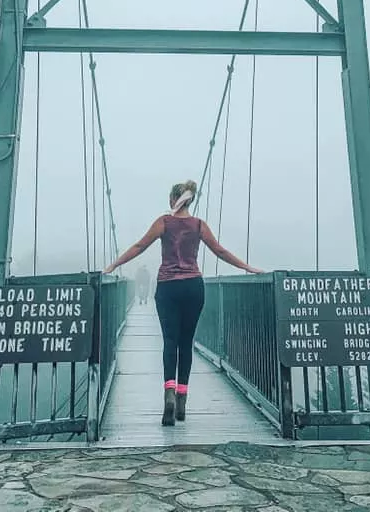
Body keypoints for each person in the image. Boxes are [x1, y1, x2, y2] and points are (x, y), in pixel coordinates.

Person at [104, 179, 263, 426]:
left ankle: (168, 393)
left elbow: (139, 246)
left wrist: (114, 264)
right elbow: (220, 251)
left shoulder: (163, 222)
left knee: (170, 341)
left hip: (168, 288)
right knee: (186, 343)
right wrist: (248, 267)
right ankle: (182, 399)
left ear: (172, 199)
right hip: (193, 288)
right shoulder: (199, 225)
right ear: (190, 200)